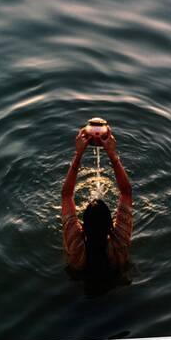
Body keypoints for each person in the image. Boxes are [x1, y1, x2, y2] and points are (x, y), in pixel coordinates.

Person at [61, 126, 133, 295]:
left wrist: (78, 154)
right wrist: (113, 156)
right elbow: (126, 192)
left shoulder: (76, 248)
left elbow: (66, 195)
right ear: (111, 226)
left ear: (82, 227)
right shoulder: (119, 245)